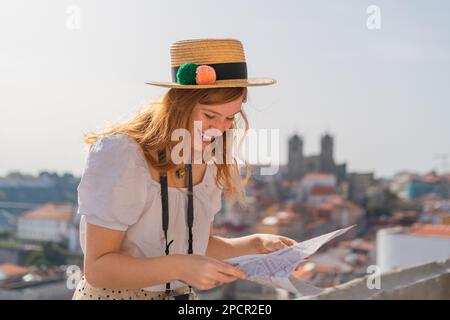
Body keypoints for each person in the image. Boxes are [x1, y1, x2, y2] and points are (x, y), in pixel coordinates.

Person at [72, 38, 297, 300]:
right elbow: (98, 269)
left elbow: (192, 245)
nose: (219, 129)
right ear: (179, 104)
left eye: (230, 118)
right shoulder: (123, 154)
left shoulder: (208, 158)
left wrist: (252, 244)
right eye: (210, 115)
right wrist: (179, 267)